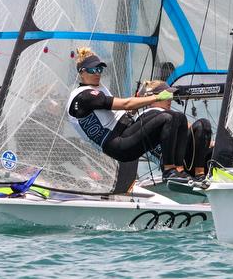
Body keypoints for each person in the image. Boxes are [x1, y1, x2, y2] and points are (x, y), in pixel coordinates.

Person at [66, 47, 190, 180]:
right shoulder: (85, 96)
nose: (98, 73)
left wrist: (139, 99)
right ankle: (169, 171)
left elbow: (127, 112)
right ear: (82, 72)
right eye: (93, 70)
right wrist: (159, 97)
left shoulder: (98, 88)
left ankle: (179, 170)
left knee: (178, 117)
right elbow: (126, 104)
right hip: (118, 145)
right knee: (167, 118)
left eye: (100, 69)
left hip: (125, 132)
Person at [136, 80, 213, 181]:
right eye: (166, 96)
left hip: (187, 161)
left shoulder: (172, 116)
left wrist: (206, 140)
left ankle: (200, 175)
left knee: (203, 124)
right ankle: (178, 171)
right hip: (170, 165)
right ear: (154, 97)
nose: (170, 100)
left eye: (171, 96)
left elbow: (190, 128)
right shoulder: (146, 116)